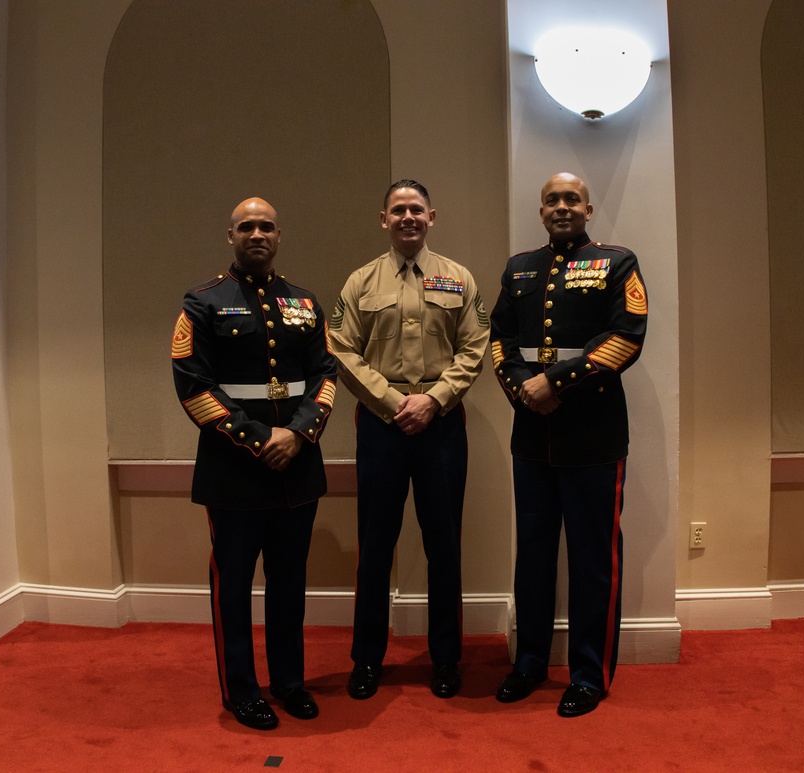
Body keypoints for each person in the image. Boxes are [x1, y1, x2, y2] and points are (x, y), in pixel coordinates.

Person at [171, 197, 337, 731]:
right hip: (234, 472)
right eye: (247, 226)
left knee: (290, 585)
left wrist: (299, 433)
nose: (257, 233)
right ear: (231, 236)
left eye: (266, 226)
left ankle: (290, 682)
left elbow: (325, 377)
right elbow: (194, 387)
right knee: (234, 587)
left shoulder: (306, 303)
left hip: (297, 470)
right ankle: (240, 690)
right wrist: (261, 439)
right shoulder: (202, 302)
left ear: (279, 235)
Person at [489, 172, 647, 717]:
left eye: (571, 199)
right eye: (552, 199)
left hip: (594, 436)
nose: (561, 207)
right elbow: (499, 340)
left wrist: (554, 383)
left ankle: (589, 673)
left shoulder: (617, 262)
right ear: (541, 211)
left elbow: (627, 337)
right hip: (532, 435)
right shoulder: (519, 268)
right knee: (532, 557)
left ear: (588, 208)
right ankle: (528, 663)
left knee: (593, 560)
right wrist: (523, 393)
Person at [329, 180, 489, 700]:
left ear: (432, 216)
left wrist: (434, 400)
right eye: (398, 210)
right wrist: (392, 402)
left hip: (441, 425)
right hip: (381, 425)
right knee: (375, 547)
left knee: (445, 546)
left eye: (416, 210)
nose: (408, 218)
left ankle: (446, 659)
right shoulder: (360, 281)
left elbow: (474, 347)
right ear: (383, 219)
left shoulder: (458, 278)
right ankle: (367, 660)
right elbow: (342, 350)